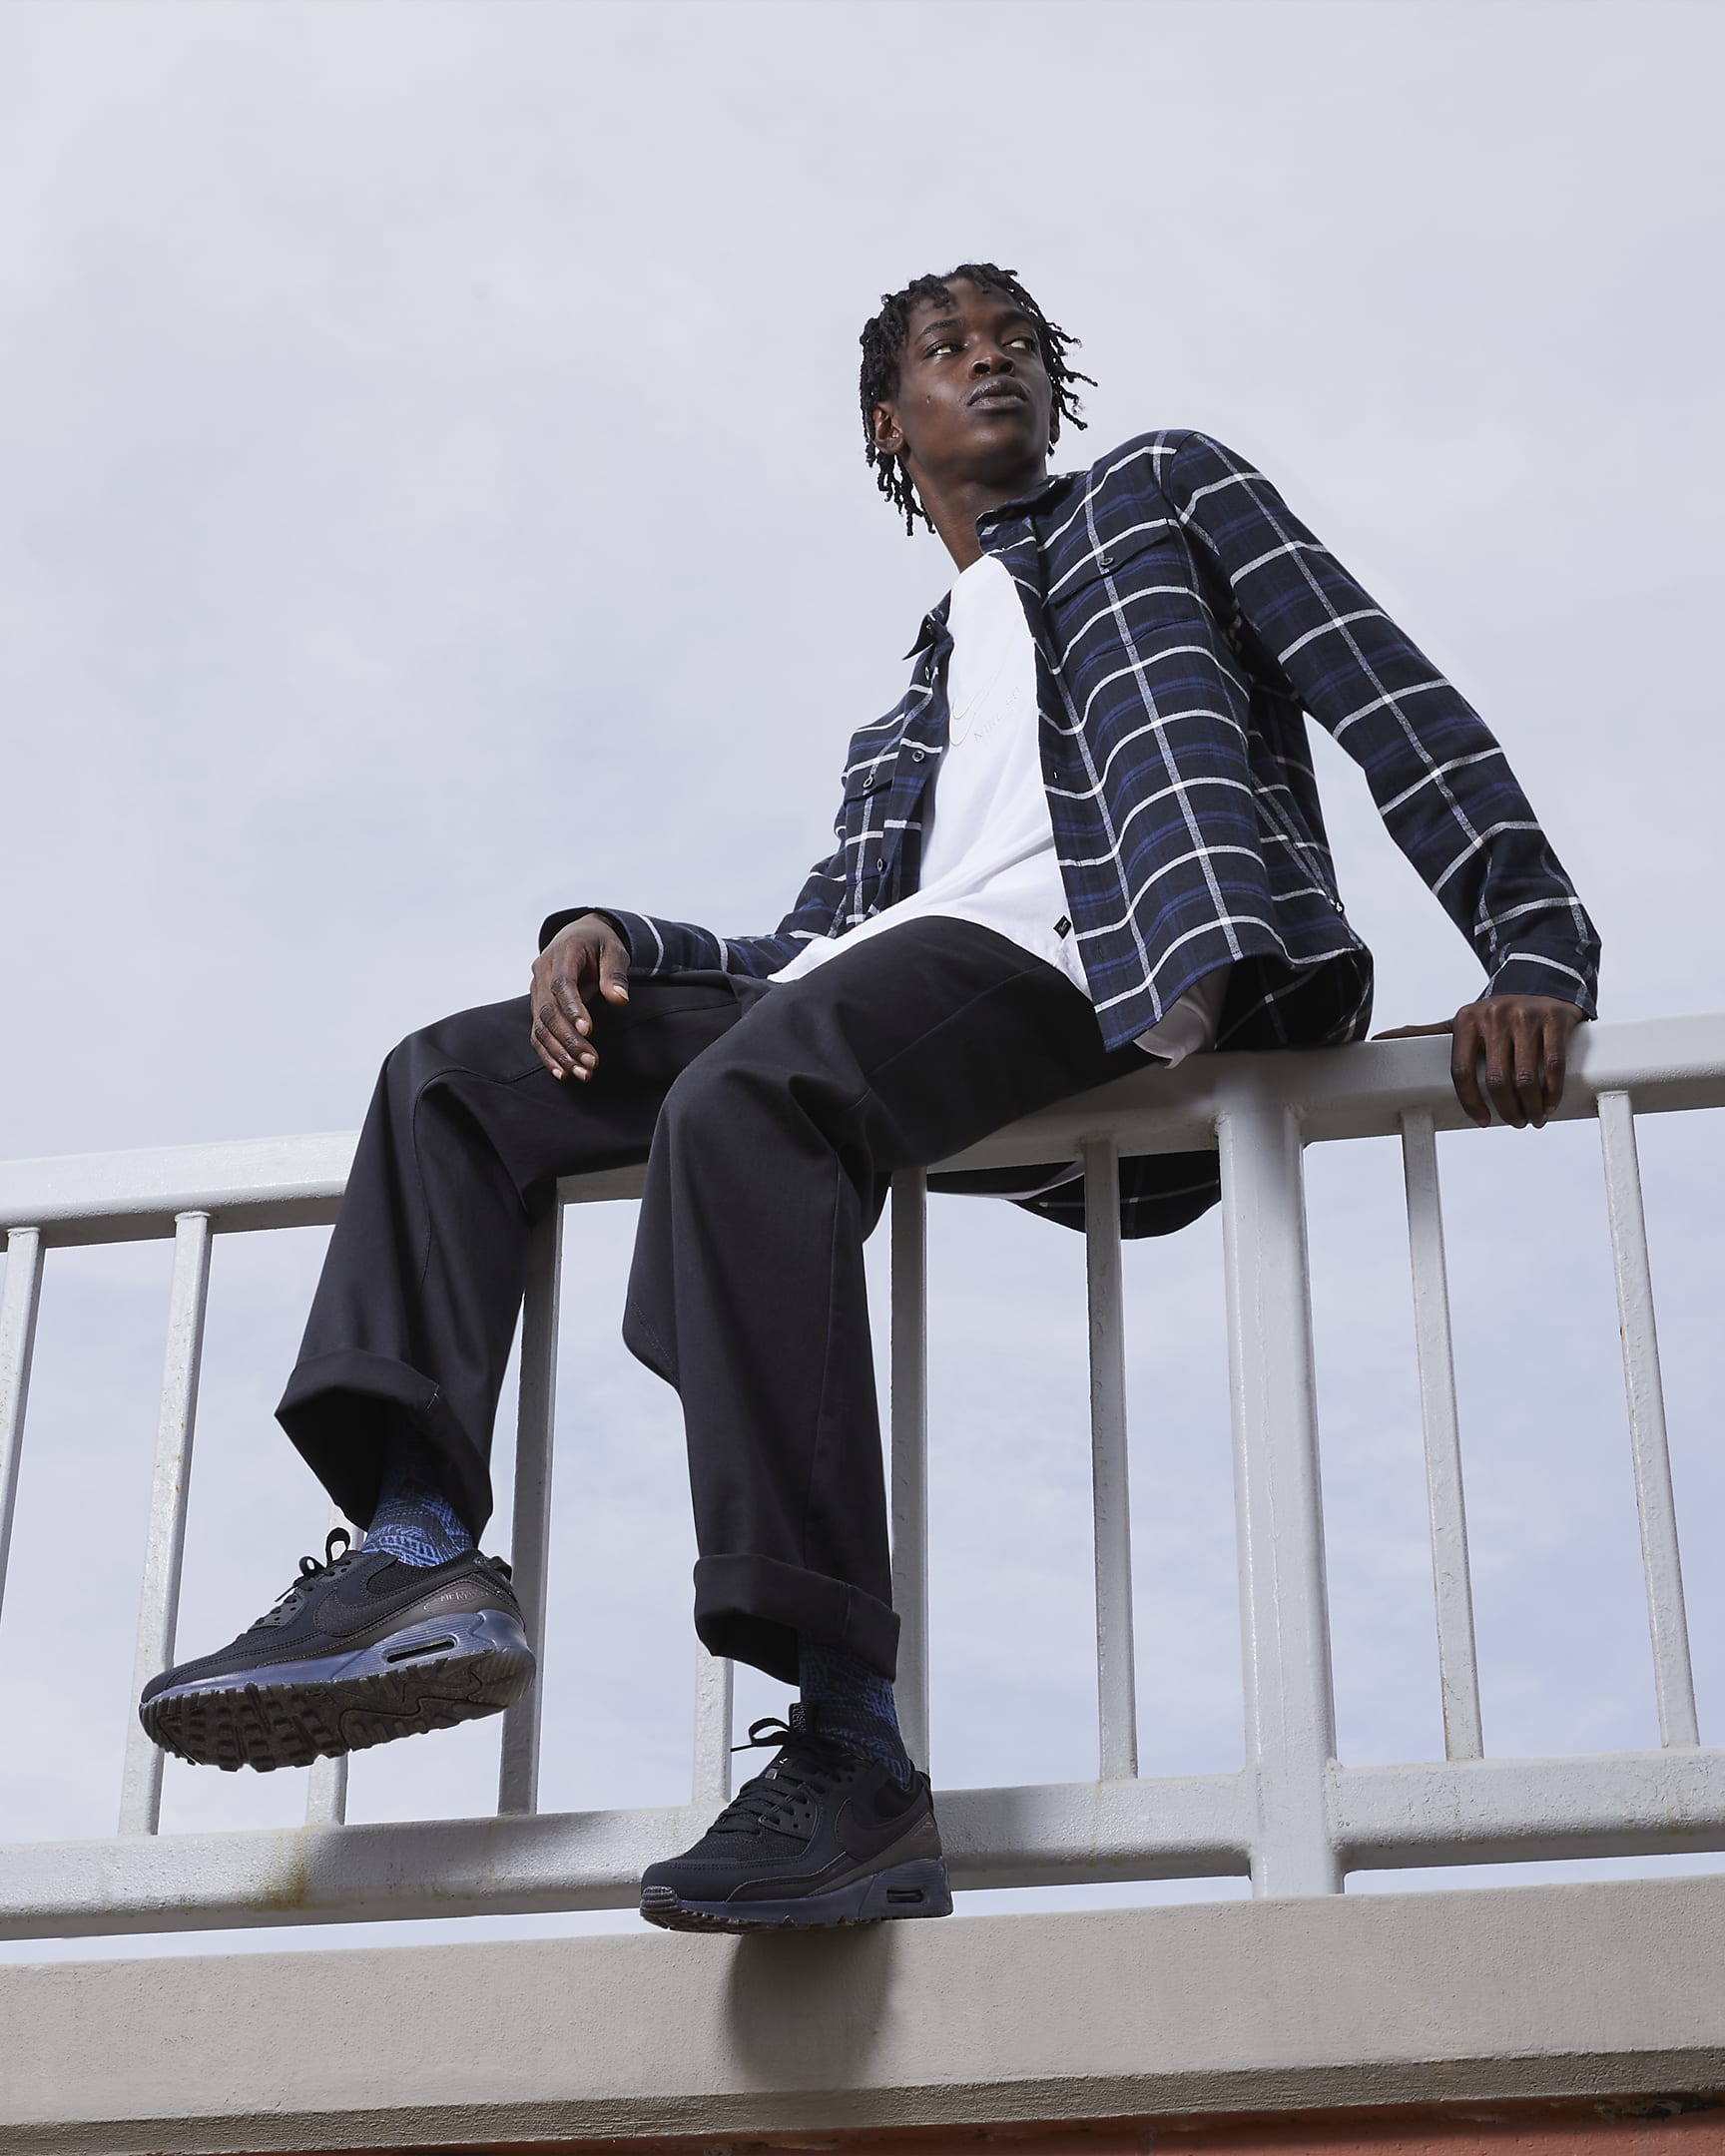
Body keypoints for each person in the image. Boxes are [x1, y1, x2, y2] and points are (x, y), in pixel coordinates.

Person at [139, 263, 1599, 1932]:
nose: (995, 361)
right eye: (949, 348)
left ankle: (851, 1743)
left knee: (745, 1105)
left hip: (1104, 952)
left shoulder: (1161, 491)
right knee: (454, 1080)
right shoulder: (910, 709)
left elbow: (1384, 691)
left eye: (1020, 342)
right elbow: (819, 947)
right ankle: (415, 1556)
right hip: (901, 984)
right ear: (890, 425)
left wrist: (1531, 946)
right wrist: (623, 940)